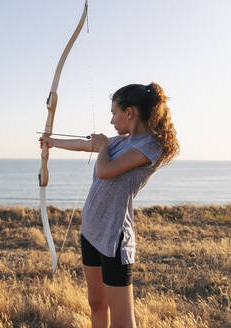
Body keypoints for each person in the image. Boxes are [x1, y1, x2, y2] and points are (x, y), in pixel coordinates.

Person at [39, 82, 179, 328]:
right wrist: (51, 141)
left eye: (114, 113)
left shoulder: (149, 147)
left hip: (115, 238)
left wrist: (103, 146)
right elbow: (87, 145)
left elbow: (105, 170)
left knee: (122, 321)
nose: (112, 120)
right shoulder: (122, 141)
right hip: (91, 231)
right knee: (96, 302)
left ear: (130, 113)